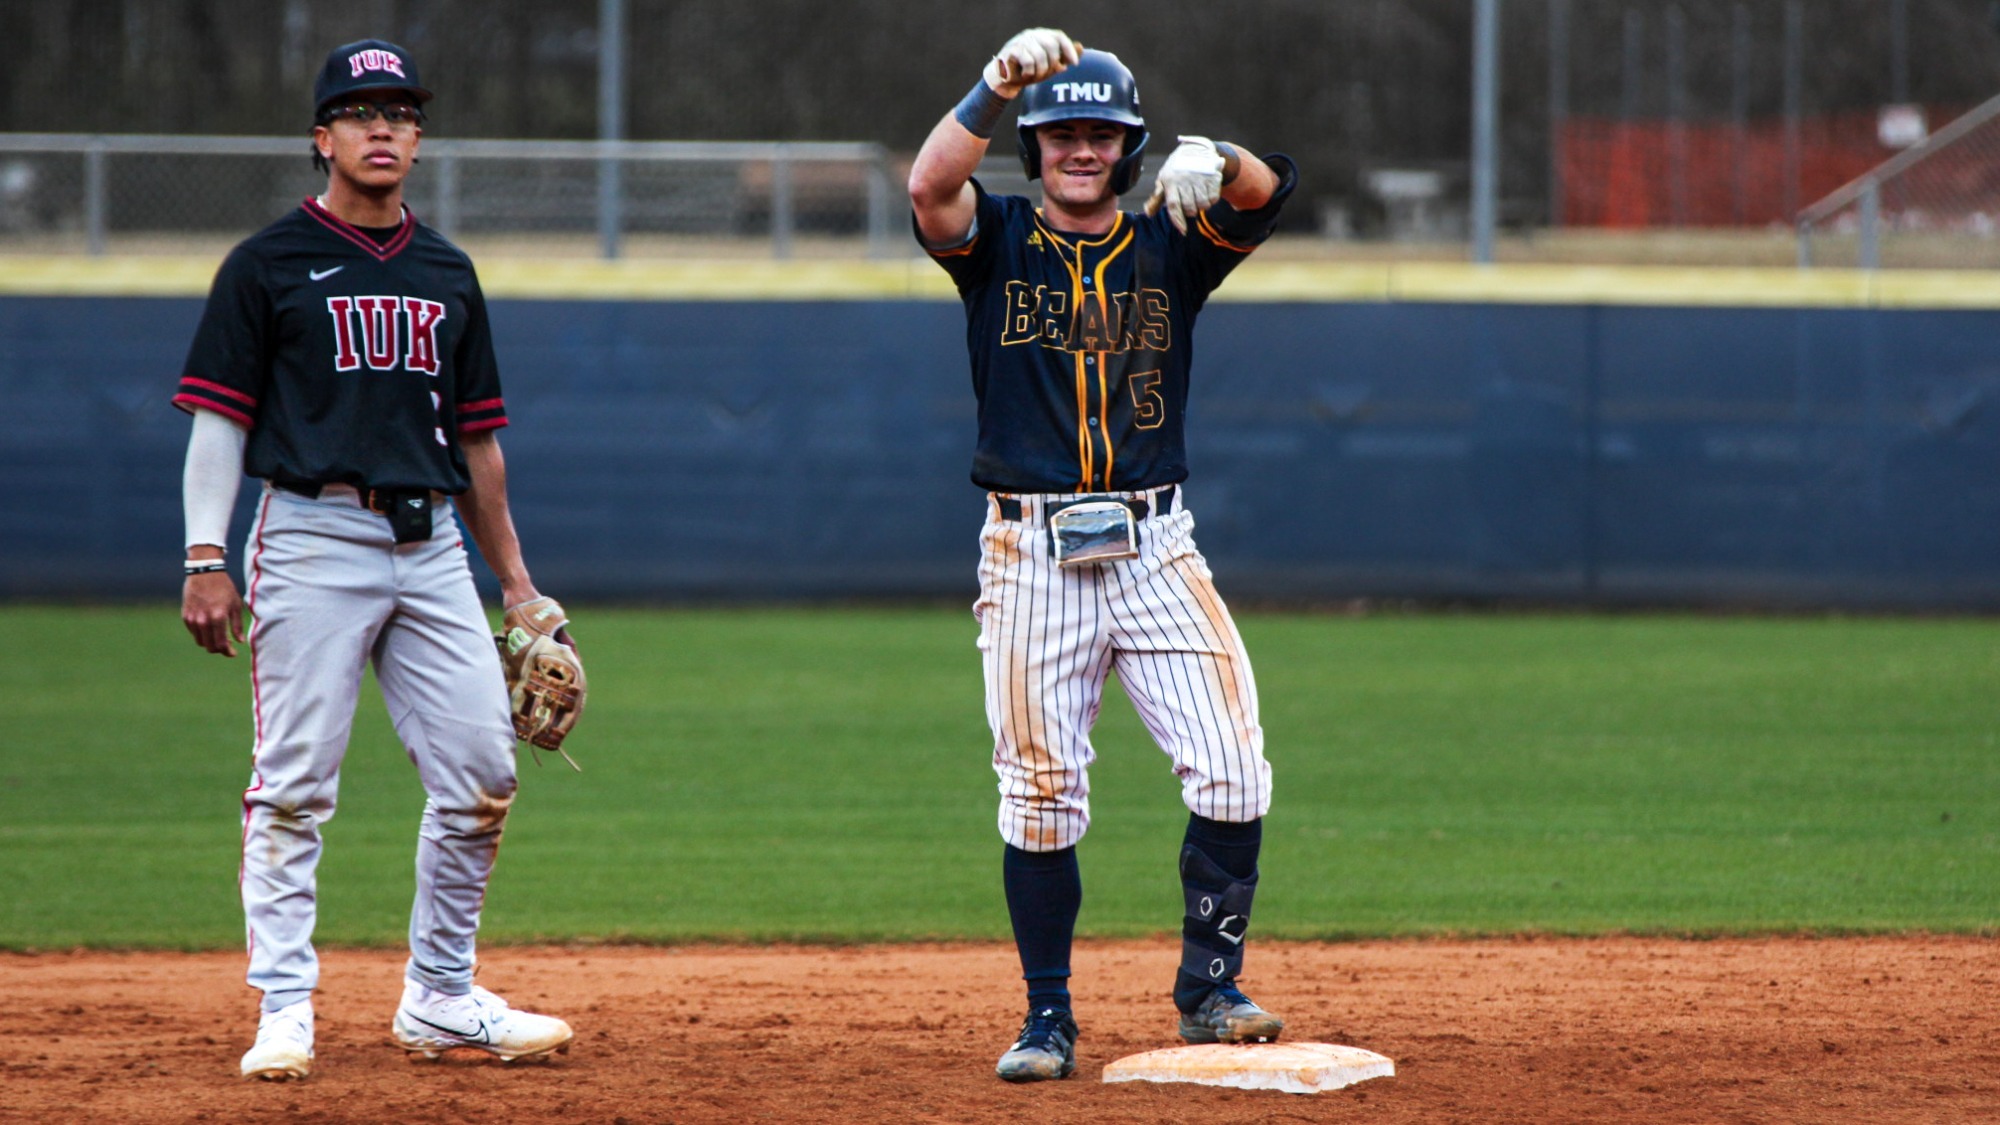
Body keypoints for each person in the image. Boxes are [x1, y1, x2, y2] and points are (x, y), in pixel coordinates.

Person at [175, 38, 573, 1081]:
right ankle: (285, 1007)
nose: (384, 127)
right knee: (294, 783)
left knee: (484, 775)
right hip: (309, 533)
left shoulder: (446, 271)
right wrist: (204, 555)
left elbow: (477, 443)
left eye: (401, 112)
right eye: (361, 112)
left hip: (431, 541)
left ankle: (441, 998)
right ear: (323, 139)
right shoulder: (265, 264)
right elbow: (218, 422)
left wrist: (519, 587)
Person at [908, 28, 1299, 1082]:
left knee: (1231, 770)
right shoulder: (992, 240)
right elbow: (926, 185)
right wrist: (993, 84)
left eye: (1100, 134)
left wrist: (1213, 153)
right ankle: (1046, 1017)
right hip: (1029, 552)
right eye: (1061, 133)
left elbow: (1265, 195)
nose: (1080, 148)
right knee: (1039, 795)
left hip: (1155, 545)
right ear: (1033, 147)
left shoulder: (1172, 239)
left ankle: (1208, 991)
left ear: (1128, 147)